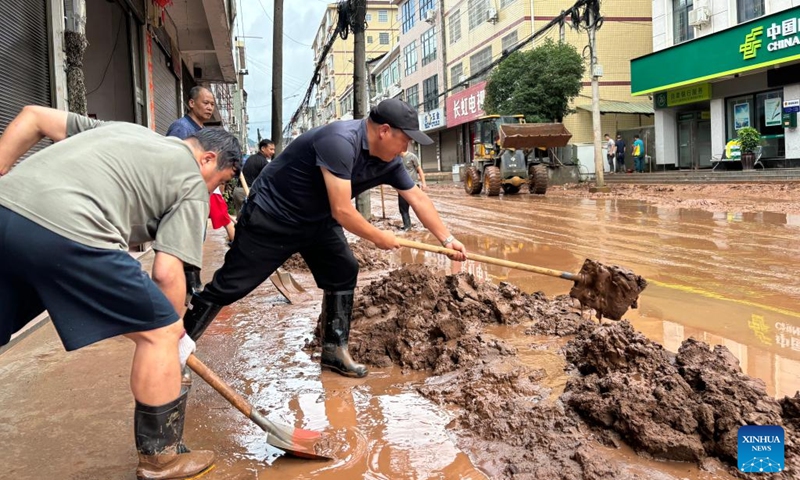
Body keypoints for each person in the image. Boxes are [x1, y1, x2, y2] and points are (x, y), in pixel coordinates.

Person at [0, 106, 241, 479]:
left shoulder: (127, 130)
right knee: (159, 332)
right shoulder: (191, 181)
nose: (212, 192)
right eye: (217, 182)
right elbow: (166, 272)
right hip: (71, 230)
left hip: (5, 208)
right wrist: (174, 334)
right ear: (207, 158)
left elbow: (32, 115)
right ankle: (161, 460)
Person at [182, 98, 467, 378]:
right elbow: (342, 210)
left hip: (317, 220)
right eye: (405, 140)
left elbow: (416, 196)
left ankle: (334, 350)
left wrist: (447, 239)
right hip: (273, 216)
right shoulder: (341, 141)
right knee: (231, 285)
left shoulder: (390, 161)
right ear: (384, 131)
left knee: (343, 270)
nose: (407, 148)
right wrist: (378, 236)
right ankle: (176, 347)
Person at [166, 86, 235, 294]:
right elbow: (172, 163)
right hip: (183, 196)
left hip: (198, 195)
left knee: (196, 237)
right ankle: (184, 286)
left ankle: (191, 284)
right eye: (205, 102)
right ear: (191, 103)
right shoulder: (181, 129)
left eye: (212, 104)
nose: (209, 107)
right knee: (182, 241)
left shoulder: (203, 132)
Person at [233, 138, 275, 218]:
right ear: (263, 148)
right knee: (251, 219)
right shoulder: (263, 162)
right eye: (271, 149)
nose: (273, 152)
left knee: (240, 219)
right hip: (246, 192)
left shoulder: (251, 158)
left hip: (238, 191)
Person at [398, 146, 426, 231]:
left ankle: (427, 224)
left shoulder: (412, 157)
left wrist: (423, 183)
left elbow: (419, 169)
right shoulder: (397, 159)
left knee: (418, 207)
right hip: (402, 187)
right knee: (403, 208)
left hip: (413, 185)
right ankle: (407, 226)